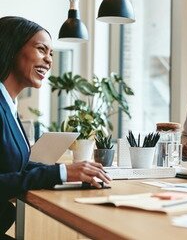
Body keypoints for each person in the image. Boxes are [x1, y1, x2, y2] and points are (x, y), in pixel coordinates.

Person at [0, 16, 111, 235]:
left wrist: (69, 172)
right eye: (41, 49)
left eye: (51, 53)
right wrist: (59, 173)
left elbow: (15, 168)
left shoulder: (9, 105)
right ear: (11, 47)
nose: (49, 60)